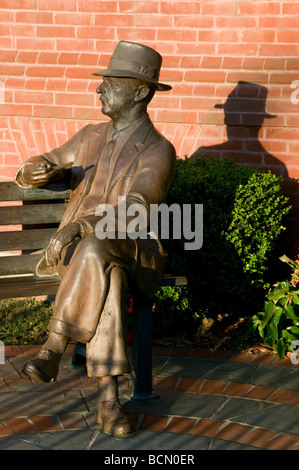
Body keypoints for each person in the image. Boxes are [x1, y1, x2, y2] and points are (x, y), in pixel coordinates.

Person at [15, 41, 176, 437]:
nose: (99, 90)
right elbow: (44, 161)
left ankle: (53, 346)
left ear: (140, 92)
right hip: (90, 256)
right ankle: (109, 402)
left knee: (99, 248)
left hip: (134, 248)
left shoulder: (158, 150)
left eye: (110, 83)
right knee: (107, 271)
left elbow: (138, 206)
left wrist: (85, 225)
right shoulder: (88, 135)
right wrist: (34, 170)